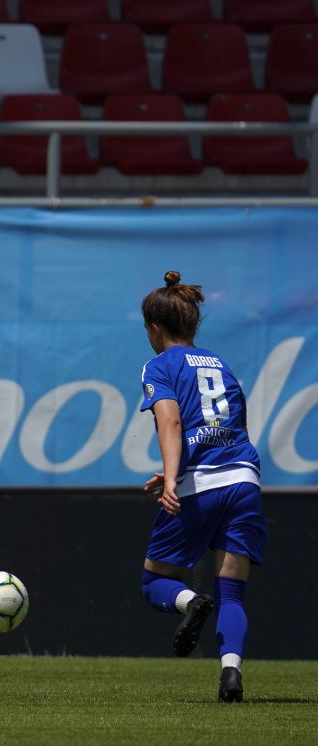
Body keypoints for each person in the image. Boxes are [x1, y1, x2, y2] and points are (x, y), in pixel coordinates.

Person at [138, 272, 267, 703]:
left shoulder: (159, 365)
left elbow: (171, 421)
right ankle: (231, 672)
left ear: (155, 328)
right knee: (232, 590)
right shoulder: (220, 364)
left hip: (202, 485)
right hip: (244, 479)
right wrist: (179, 468)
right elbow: (230, 427)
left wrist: (172, 476)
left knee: (155, 581)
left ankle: (191, 602)